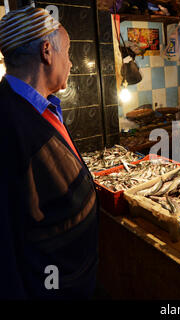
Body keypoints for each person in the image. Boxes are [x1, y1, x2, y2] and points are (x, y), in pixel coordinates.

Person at [0, 6, 98, 299]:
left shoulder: (42, 106)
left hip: (72, 276)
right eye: (67, 52)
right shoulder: (8, 121)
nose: (70, 63)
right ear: (47, 52)